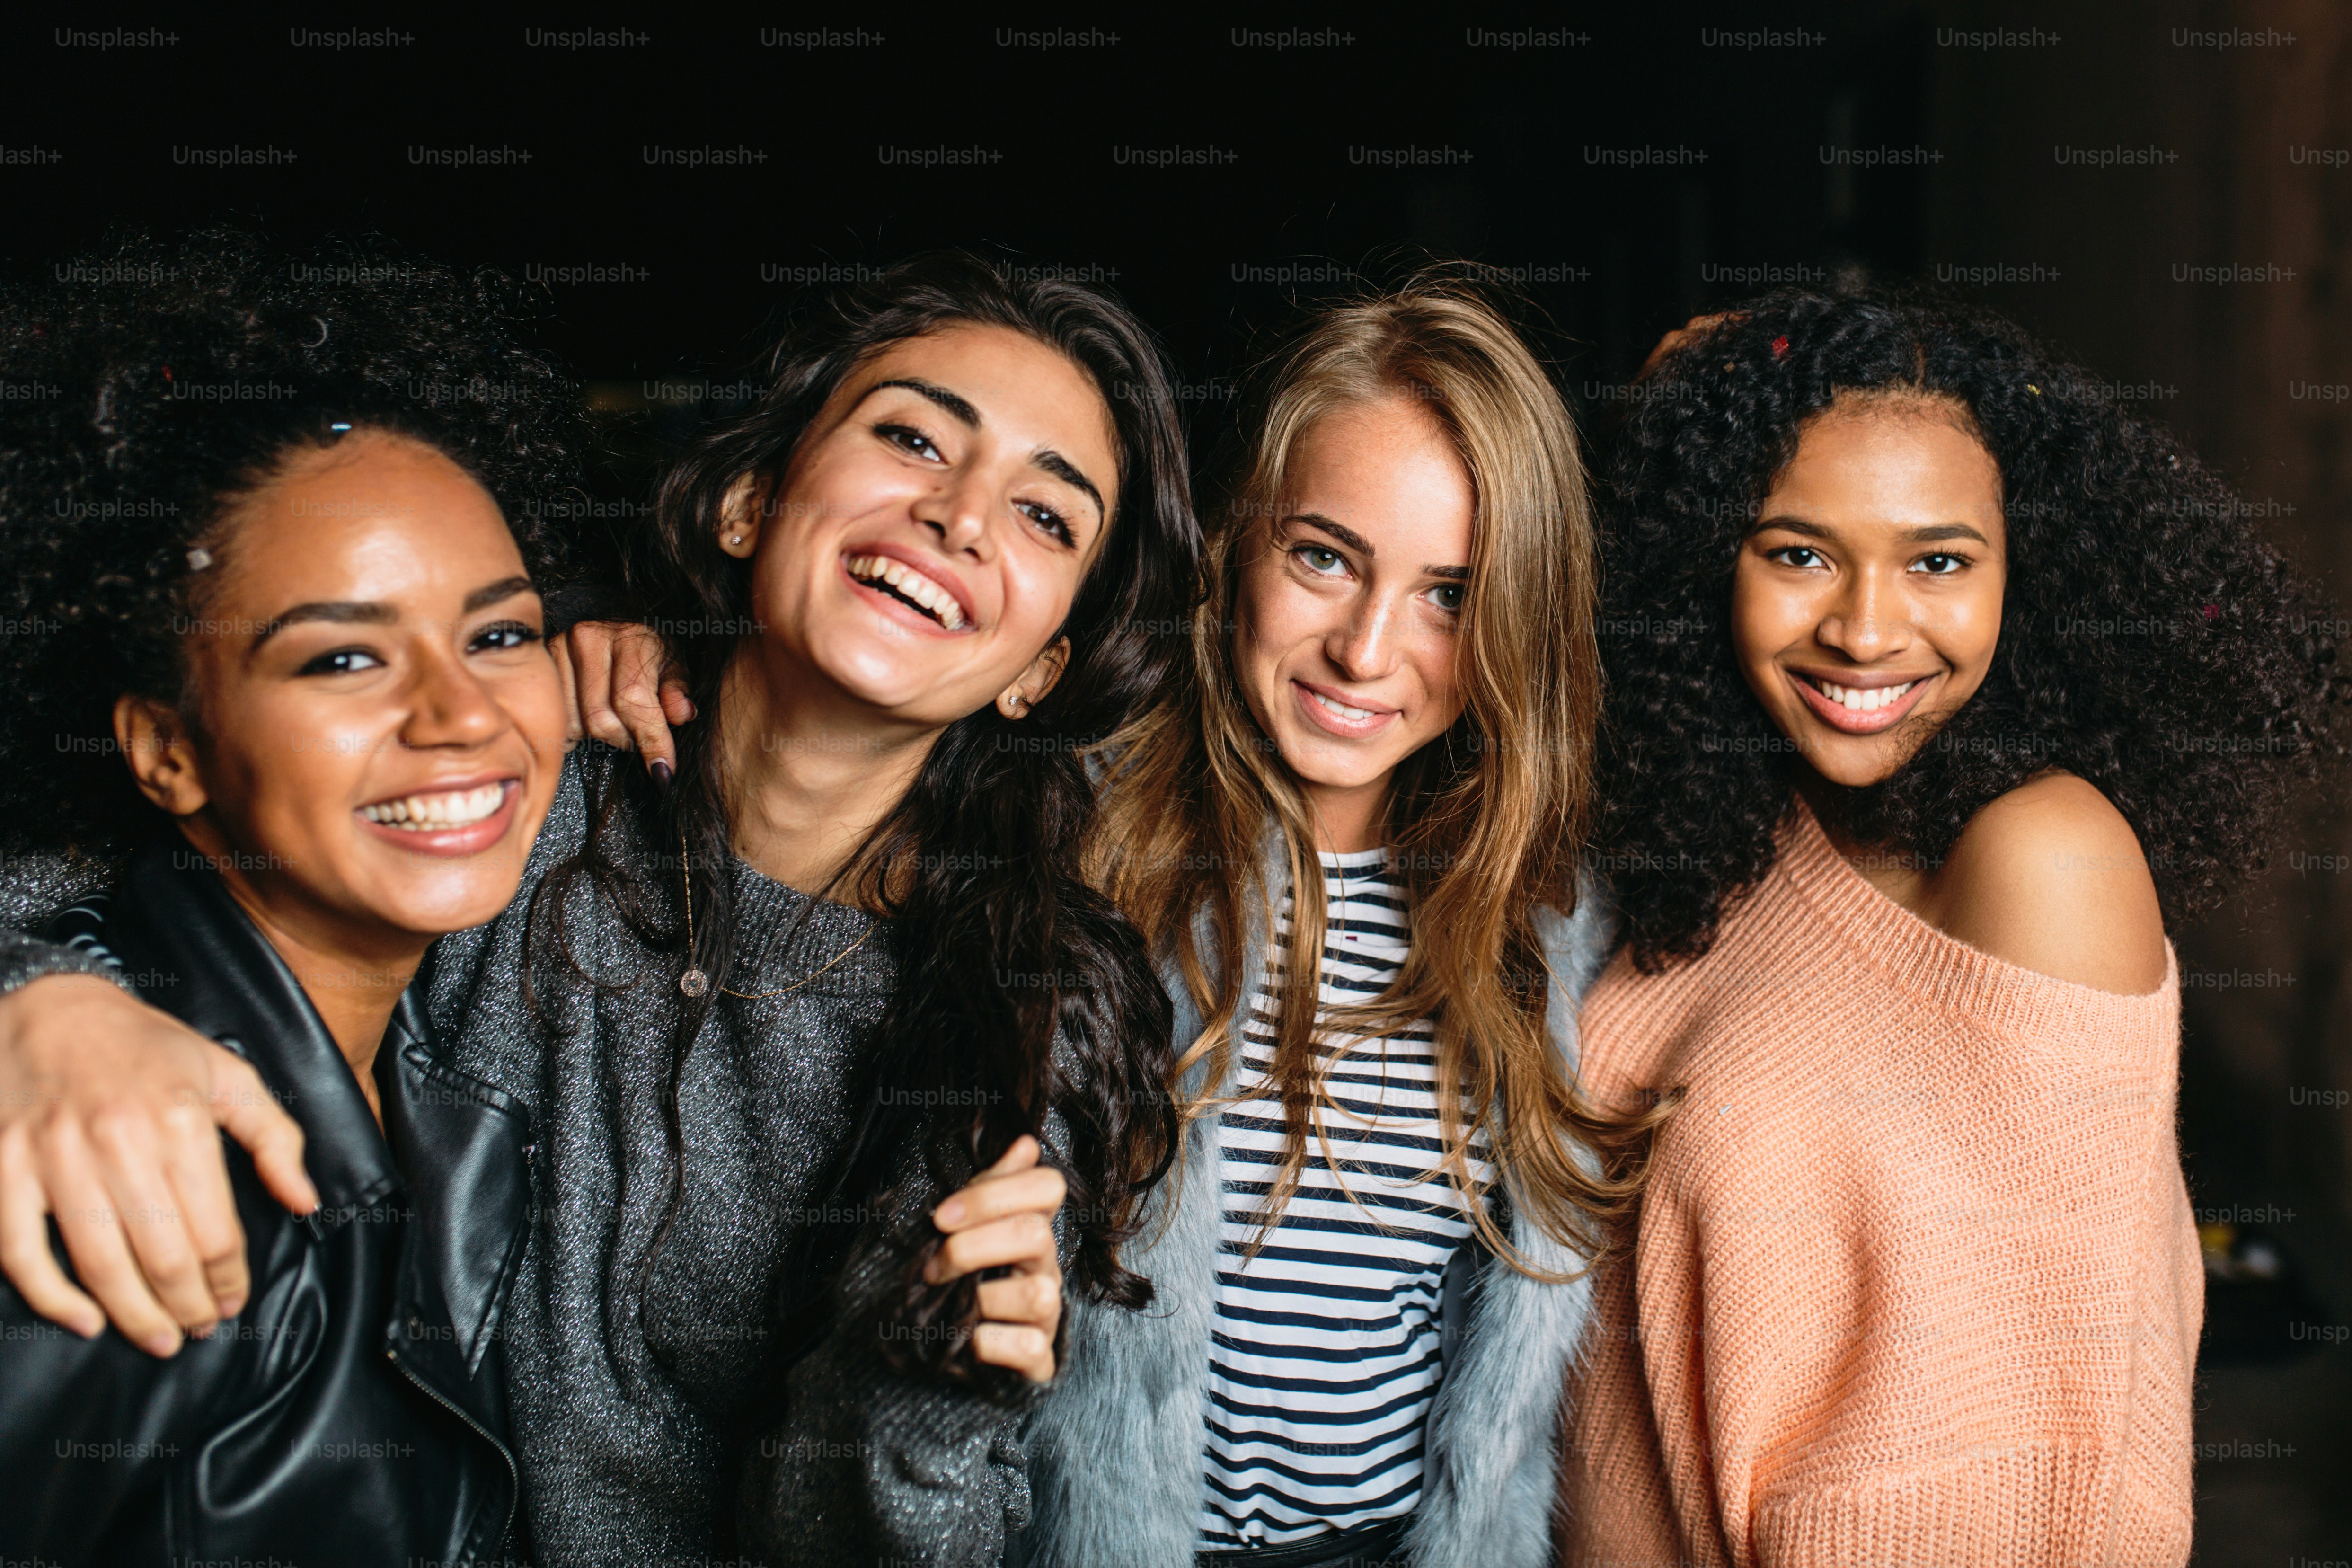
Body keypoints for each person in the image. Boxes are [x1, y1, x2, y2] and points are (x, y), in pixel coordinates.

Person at [0, 252, 1203, 1566]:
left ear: (1039, 667)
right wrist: (43, 1000)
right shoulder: (499, 775)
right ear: (751, 500)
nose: (962, 517)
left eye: (1046, 517)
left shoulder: (1014, 1017)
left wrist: (927, 1388)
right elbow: (162, 831)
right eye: (912, 436)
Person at [1560, 292, 2343, 1566]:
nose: (1866, 630)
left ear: (2022, 567)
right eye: (1796, 551)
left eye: (1937, 561)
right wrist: (1683, 407)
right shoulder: (1736, 825)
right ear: (1705, 552)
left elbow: (2029, 1445)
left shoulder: (2040, 858)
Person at [0, 232, 578, 1566]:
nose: (462, 714)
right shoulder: (132, 1178)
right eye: (341, 658)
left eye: (500, 633)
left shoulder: (439, 1079)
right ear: (167, 752)